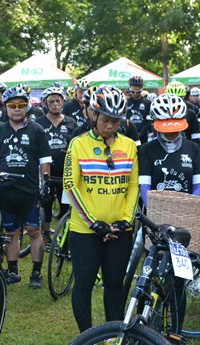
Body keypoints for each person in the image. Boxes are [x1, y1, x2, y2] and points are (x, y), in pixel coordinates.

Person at [64, 85, 138, 333]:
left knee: (115, 285)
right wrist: (93, 223)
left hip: (119, 229)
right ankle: (87, 336)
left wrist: (126, 220)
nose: (110, 126)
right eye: (105, 120)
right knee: (84, 283)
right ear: (93, 115)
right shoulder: (77, 144)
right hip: (85, 230)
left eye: (116, 121)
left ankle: (113, 337)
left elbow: (132, 186)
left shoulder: (128, 146)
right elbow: (70, 186)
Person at [0, 86, 52, 288]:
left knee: (34, 231)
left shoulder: (37, 130)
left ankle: (36, 273)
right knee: (11, 233)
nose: (17, 109)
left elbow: (44, 162)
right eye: (12, 106)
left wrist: (46, 186)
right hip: (7, 192)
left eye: (21, 105)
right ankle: (13, 271)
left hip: (30, 190)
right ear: (6, 108)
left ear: (27, 107)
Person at [138, 93, 200, 205]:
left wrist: (190, 206)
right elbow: (145, 186)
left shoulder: (193, 148)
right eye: (167, 129)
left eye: (175, 128)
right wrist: (154, 209)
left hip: (186, 213)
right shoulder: (147, 149)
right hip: (156, 213)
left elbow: (199, 185)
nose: (171, 133)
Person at [35, 86, 76, 243]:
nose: (55, 104)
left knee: (65, 202)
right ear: (45, 103)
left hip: (65, 170)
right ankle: (45, 233)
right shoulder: (39, 123)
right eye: (51, 101)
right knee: (46, 201)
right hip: (46, 169)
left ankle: (64, 232)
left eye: (58, 101)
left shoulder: (71, 122)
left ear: (63, 102)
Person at [125, 75, 152, 144]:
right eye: (132, 92)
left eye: (138, 92)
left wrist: (140, 134)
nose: (135, 94)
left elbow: (149, 122)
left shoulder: (147, 103)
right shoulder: (126, 102)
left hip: (142, 137)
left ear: (141, 89)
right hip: (128, 136)